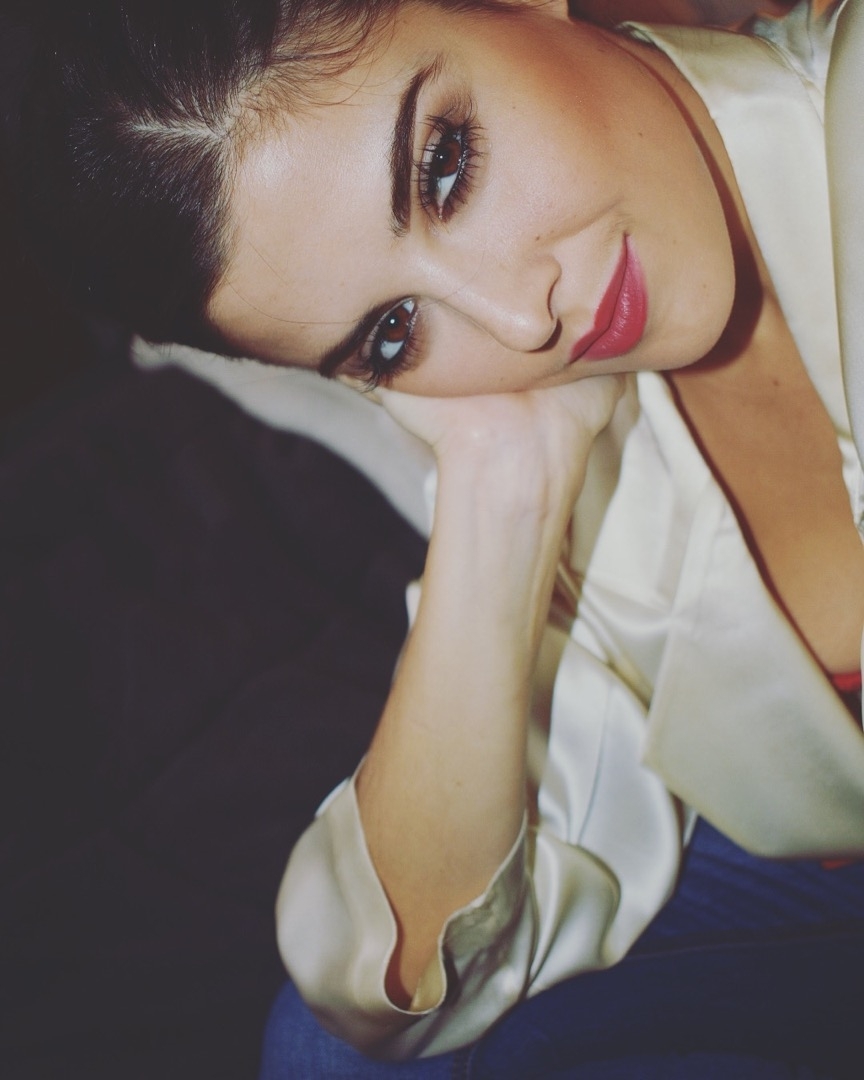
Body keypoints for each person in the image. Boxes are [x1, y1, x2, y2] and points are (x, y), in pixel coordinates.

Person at [11, 0, 864, 1076]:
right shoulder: (584, 448)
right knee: (330, 1058)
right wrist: (503, 483)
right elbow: (401, 978)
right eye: (392, 333)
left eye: (446, 167)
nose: (521, 321)